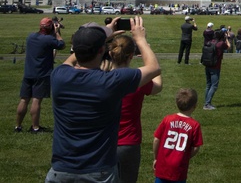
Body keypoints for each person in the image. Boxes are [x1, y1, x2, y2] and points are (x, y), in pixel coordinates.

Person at [47, 18, 160, 182]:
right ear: (101, 50)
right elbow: (154, 68)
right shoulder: (111, 82)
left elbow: (73, 58)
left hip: (61, 169)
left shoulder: (58, 76)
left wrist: (101, 35)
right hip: (98, 171)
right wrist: (140, 39)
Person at [110, 34, 164, 183]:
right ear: (132, 56)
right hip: (129, 142)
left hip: (104, 141)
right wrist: (149, 55)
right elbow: (157, 86)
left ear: (110, 54)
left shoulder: (99, 78)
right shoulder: (136, 79)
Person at [15, 17, 65, 134]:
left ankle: (18, 126)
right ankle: (35, 127)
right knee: (36, 100)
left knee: (24, 100)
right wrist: (57, 32)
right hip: (42, 74)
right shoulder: (48, 40)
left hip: (28, 72)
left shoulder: (31, 37)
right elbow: (61, 44)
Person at [153, 88, 203, 183]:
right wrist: (186, 156)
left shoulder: (167, 119)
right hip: (179, 168)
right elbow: (196, 147)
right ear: (195, 106)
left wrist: (156, 158)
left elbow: (156, 139)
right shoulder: (194, 125)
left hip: (162, 164)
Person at [203, 28, 230, 110]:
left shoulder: (210, 42)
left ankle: (206, 102)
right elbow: (228, 47)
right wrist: (226, 39)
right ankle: (207, 104)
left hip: (208, 65)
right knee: (214, 85)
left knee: (208, 85)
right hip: (215, 66)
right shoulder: (220, 43)